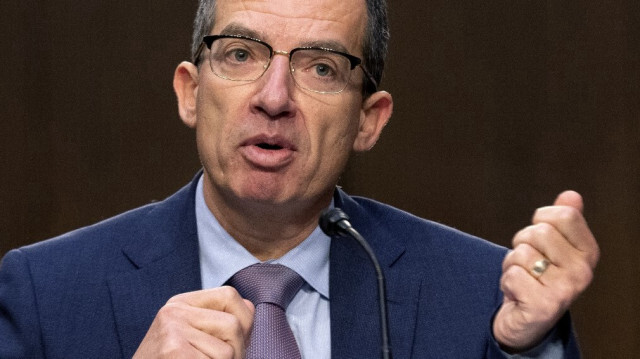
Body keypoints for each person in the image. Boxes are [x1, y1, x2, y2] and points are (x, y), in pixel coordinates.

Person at [0, 0, 599, 358]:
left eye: (320, 67)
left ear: (369, 119)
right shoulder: (45, 292)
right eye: (240, 54)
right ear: (190, 90)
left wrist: (525, 349)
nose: (274, 98)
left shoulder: (478, 296)